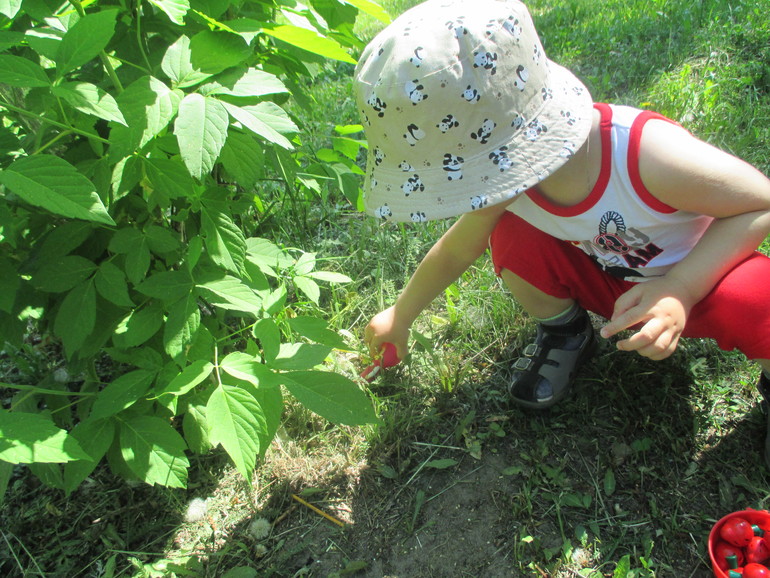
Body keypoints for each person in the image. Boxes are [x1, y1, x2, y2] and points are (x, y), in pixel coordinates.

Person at [355, 0, 770, 461]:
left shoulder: (647, 157)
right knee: (512, 238)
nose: (468, 198)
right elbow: (456, 251)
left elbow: (760, 203)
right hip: (611, 284)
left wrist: (681, 289)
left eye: (464, 180)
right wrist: (402, 314)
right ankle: (565, 333)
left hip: (701, 277)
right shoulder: (507, 187)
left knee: (759, 297)